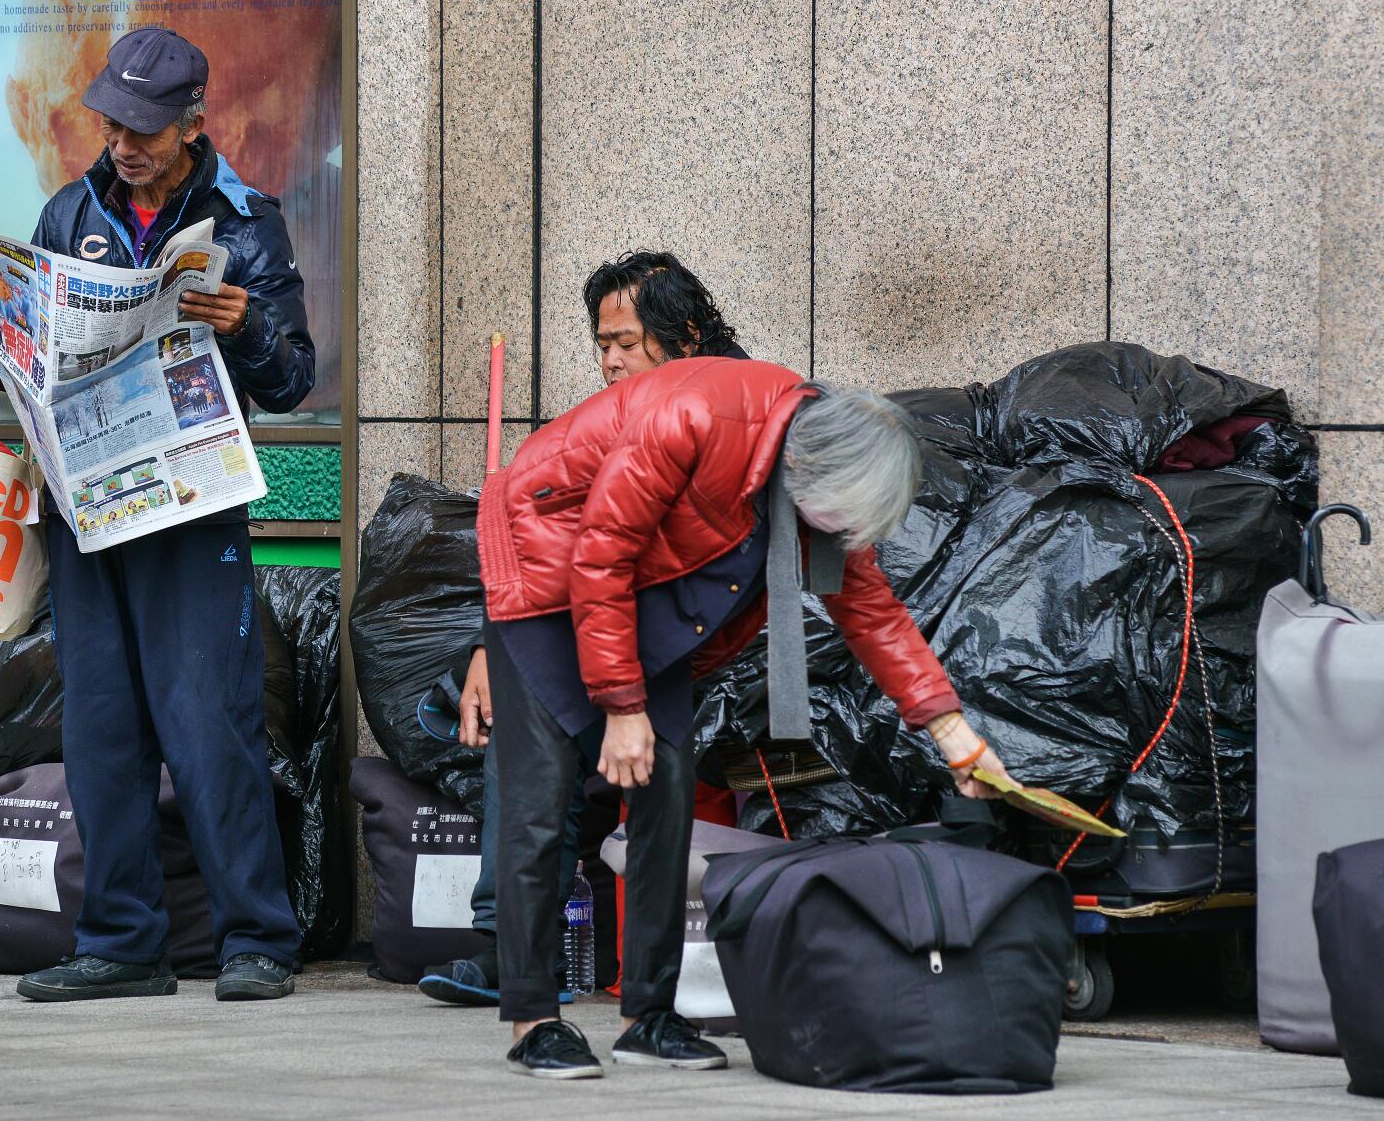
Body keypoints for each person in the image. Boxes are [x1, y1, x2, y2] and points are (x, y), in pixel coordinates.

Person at [477, 358, 1015, 1078]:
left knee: (666, 793)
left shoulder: (808, 477)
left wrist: (956, 735)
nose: (848, 536)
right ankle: (532, 1018)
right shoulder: (693, 418)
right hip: (546, 554)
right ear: (813, 469)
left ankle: (648, 1014)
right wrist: (623, 705)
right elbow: (601, 552)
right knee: (541, 802)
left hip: (640, 594)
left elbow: (873, 612)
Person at [0, 26, 316, 1003]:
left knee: (208, 726)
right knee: (100, 729)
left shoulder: (242, 220)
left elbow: (293, 378)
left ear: (194, 123)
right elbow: (29, 372)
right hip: (85, 505)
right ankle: (122, 940)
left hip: (189, 511)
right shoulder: (68, 210)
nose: (125, 144)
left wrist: (249, 327)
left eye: (144, 128)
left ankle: (255, 939)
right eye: (113, 124)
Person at [417, 251, 745, 1008]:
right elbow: (559, 549)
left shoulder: (727, 408)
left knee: (654, 759)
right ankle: (511, 953)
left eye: (627, 343)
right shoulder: (602, 426)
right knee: (529, 740)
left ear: (687, 335)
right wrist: (489, 646)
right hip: (603, 633)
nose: (609, 361)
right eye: (602, 344)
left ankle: (649, 996)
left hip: (703, 648)